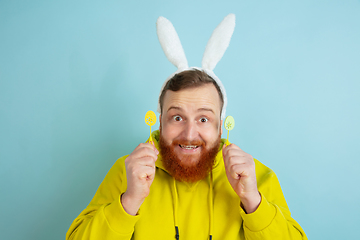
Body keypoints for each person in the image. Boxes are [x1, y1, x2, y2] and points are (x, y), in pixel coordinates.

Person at [66, 15, 307, 240]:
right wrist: (129, 201)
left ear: (220, 127)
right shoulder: (127, 171)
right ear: (160, 121)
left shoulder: (257, 177)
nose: (190, 135)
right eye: (177, 118)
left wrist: (253, 201)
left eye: (203, 119)